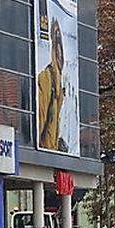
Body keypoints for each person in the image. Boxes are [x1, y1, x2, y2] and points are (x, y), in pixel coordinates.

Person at [36, 20, 65, 152]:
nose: (59, 51)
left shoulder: (59, 82)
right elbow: (40, 119)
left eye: (61, 45)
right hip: (45, 148)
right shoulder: (46, 78)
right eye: (56, 44)